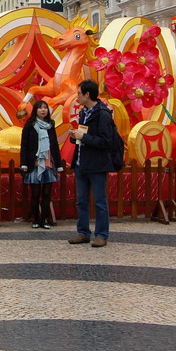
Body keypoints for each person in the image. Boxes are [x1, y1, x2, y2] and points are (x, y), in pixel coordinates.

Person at [68, 80, 117, 248]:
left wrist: (84, 138)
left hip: (97, 164)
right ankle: (83, 232)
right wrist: (76, 136)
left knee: (99, 201)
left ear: (88, 94)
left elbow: (106, 141)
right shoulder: (84, 113)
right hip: (82, 162)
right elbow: (84, 135)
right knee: (81, 201)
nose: (77, 97)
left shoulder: (103, 114)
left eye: (79, 93)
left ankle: (102, 234)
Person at [19, 100, 63, 229]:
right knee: (35, 193)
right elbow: (24, 146)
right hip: (35, 163)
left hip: (48, 162)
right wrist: (24, 163)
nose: (43, 110)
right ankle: (36, 220)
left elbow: (54, 144)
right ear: (35, 110)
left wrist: (58, 163)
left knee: (47, 194)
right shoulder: (29, 125)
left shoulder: (50, 125)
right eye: (40, 108)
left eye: (45, 108)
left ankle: (44, 220)